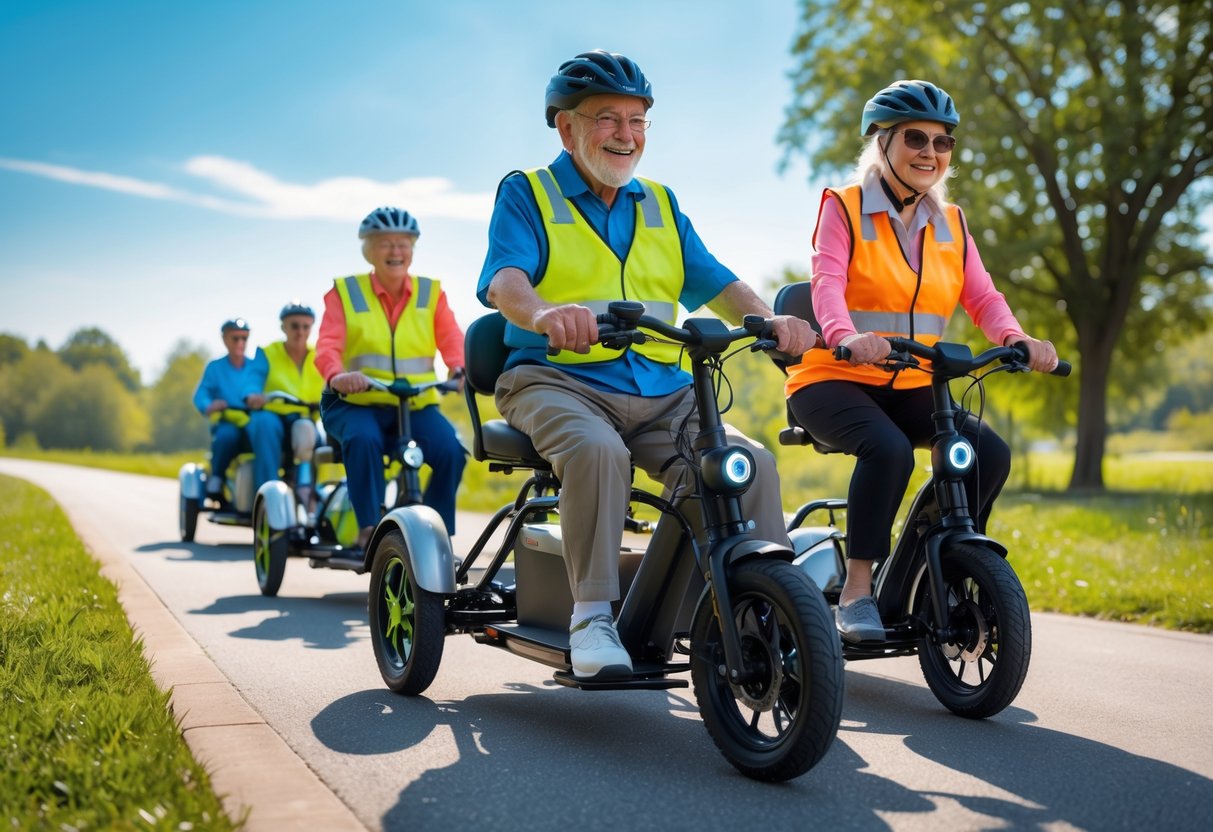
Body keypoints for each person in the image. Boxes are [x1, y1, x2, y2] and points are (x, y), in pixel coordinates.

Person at [478, 49, 816, 681]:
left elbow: (714, 278)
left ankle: (761, 612)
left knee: (749, 465)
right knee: (597, 452)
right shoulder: (528, 192)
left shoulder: (660, 202)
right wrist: (546, 313)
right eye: (609, 118)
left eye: (638, 122)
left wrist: (768, 320)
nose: (626, 136)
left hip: (663, 388)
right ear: (567, 127)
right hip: (556, 380)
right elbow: (505, 282)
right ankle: (592, 615)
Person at [784, 79, 1059, 643]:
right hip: (833, 377)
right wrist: (844, 335)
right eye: (916, 138)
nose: (931, 152)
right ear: (882, 142)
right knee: (887, 451)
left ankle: (929, 566)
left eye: (943, 142)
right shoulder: (846, 206)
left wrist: (1017, 338)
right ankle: (858, 594)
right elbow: (827, 280)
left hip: (914, 379)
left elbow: (981, 296)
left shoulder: (952, 222)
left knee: (984, 452)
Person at [316, 207, 467, 550]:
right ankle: (368, 527)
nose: (396, 252)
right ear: (369, 250)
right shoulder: (347, 292)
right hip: (356, 403)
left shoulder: (431, 294)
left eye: (403, 243)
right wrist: (338, 375)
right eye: (385, 244)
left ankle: (435, 534)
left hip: (413, 404)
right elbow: (327, 345)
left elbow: (451, 337)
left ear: (413, 249)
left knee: (451, 451)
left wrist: (458, 368)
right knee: (363, 439)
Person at [250, 301, 326, 506]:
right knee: (264, 425)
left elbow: (333, 380)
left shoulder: (320, 356)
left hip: (305, 419)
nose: (300, 332)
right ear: (283, 327)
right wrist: (253, 395)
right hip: (274, 416)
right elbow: (252, 381)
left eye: (305, 326)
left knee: (318, 435)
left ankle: (311, 493)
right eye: (294, 326)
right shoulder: (267, 353)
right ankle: (267, 499)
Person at [192, 318, 274, 505]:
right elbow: (201, 394)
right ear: (225, 339)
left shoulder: (256, 366)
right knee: (227, 437)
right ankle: (217, 479)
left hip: (253, 421)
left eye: (244, 338)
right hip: (228, 422)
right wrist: (210, 405)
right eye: (235, 338)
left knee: (271, 436)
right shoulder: (215, 367)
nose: (240, 343)